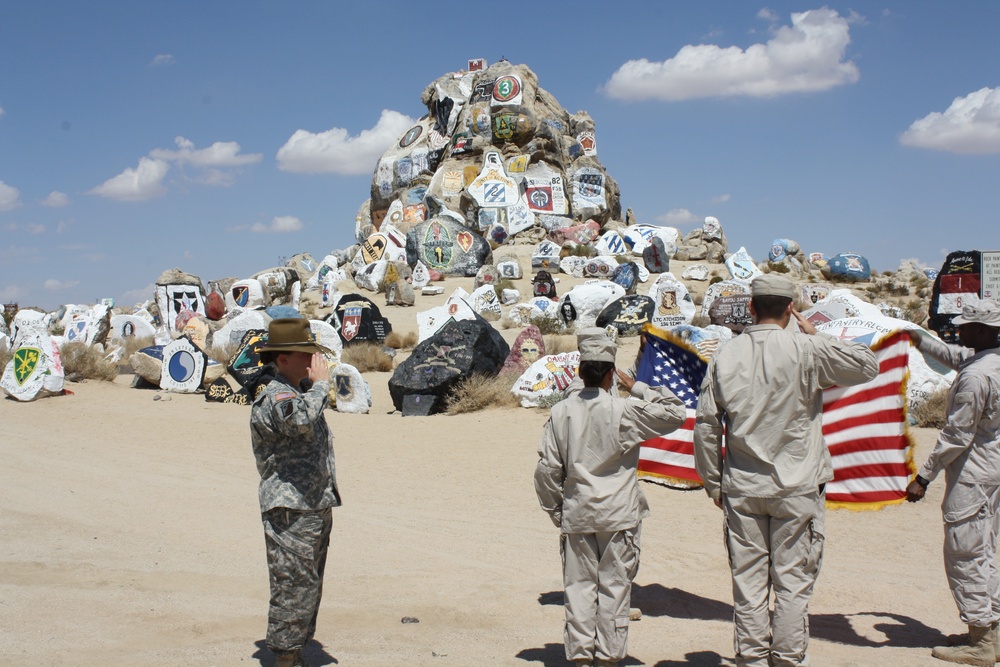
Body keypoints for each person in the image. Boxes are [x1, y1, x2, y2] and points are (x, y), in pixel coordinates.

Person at [693, 274, 878, 667]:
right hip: (797, 488)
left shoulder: (726, 354)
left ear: (752, 309)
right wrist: (815, 332)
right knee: (793, 585)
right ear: (790, 308)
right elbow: (867, 366)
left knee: (748, 585)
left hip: (742, 487)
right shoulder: (807, 348)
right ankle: (788, 661)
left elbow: (707, 424)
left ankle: (753, 660)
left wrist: (713, 483)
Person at [534, 327, 687, 667]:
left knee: (578, 589)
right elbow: (676, 412)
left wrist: (557, 510)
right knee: (615, 589)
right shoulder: (624, 410)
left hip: (578, 511)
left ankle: (580, 657)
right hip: (618, 514)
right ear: (610, 374)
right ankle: (608, 657)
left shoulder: (562, 413)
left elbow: (546, 471)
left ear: (579, 370)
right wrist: (639, 386)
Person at [906, 300, 1000, 666]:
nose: (959, 331)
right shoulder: (988, 360)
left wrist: (923, 476)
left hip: (973, 475)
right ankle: (991, 631)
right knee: (987, 550)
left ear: (983, 331)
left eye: (965, 327)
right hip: (991, 473)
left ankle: (980, 640)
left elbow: (956, 435)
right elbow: (954, 355)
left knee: (965, 553)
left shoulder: (977, 377)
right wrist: (917, 337)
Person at [250, 318, 340, 667]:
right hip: (290, 509)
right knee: (293, 586)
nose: (312, 362)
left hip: (312, 504)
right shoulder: (275, 395)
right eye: (305, 355)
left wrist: (313, 388)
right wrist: (320, 387)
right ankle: (285, 658)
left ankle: (296, 650)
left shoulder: (297, 391)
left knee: (309, 585)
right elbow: (298, 420)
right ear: (282, 358)